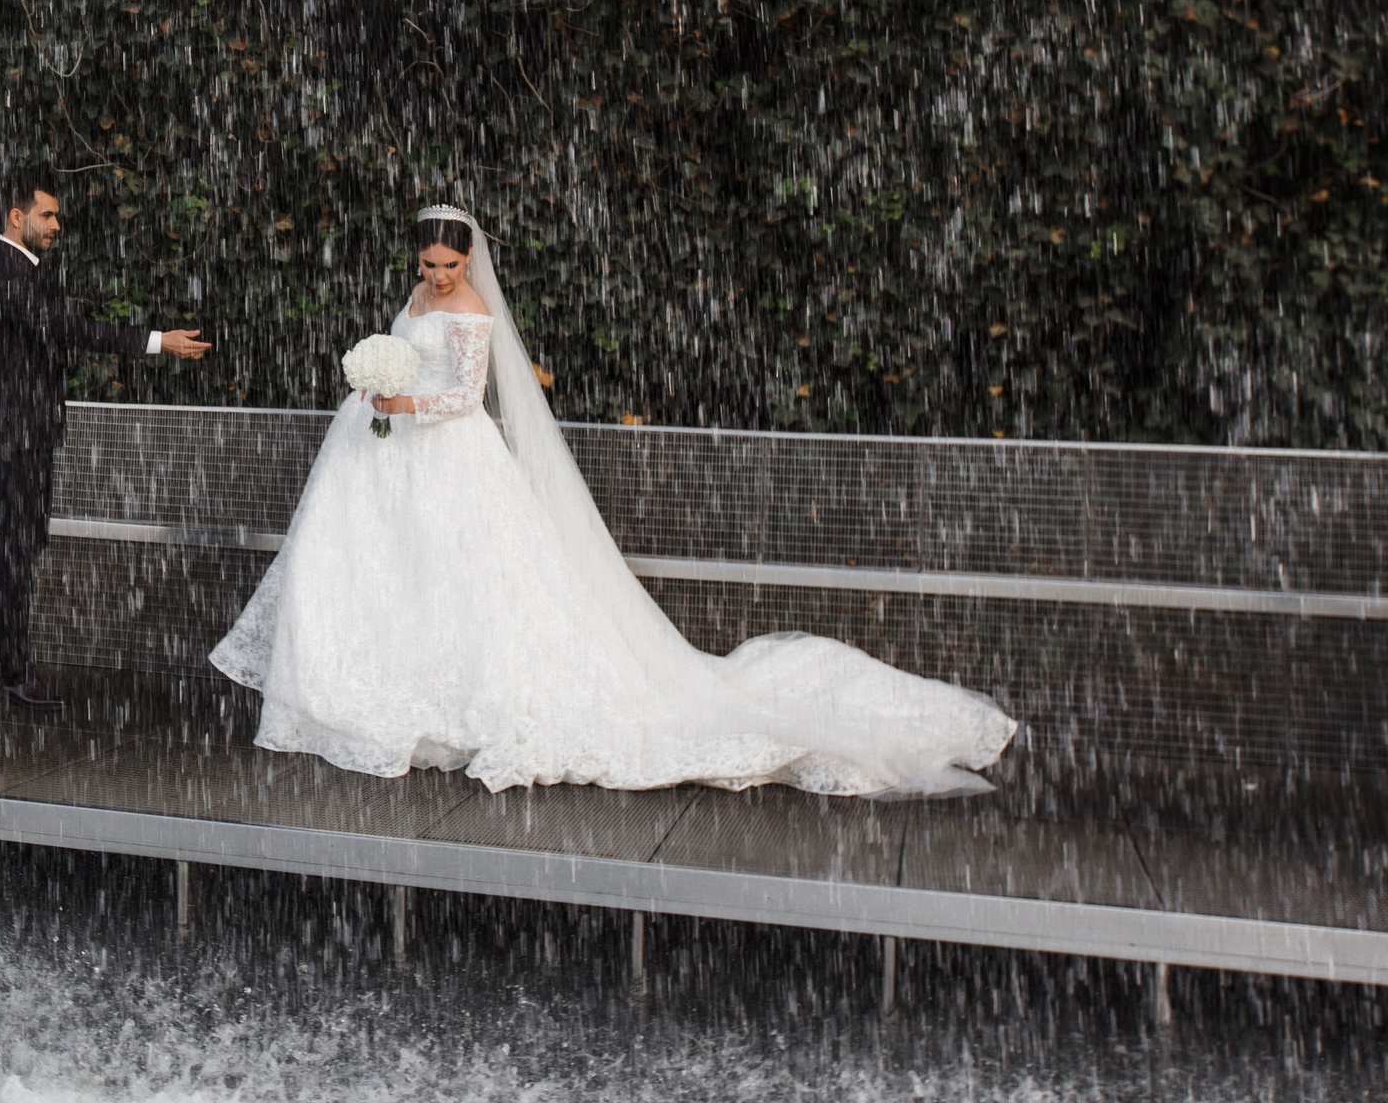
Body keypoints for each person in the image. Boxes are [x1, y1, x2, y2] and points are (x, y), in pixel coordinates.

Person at [210, 205, 1017, 795]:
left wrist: (402, 404)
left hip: (445, 453)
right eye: (425, 268)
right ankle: (370, 698)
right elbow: (402, 352)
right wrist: (376, 387)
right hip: (385, 458)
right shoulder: (420, 300)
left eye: (446, 268)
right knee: (385, 578)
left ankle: (457, 706)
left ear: (467, 264)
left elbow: (463, 397)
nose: (433, 279)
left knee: (465, 584)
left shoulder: (471, 312)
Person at [0, 171, 210, 707]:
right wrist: (154, 341)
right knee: (16, 551)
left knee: (17, 549)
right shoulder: (5, 272)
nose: (56, 224)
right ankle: (13, 673)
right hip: (11, 435)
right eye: (47, 215)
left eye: (56, 216)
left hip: (17, 430)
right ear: (16, 216)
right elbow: (67, 328)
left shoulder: (12, 269)